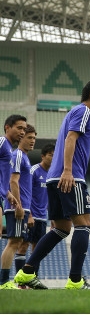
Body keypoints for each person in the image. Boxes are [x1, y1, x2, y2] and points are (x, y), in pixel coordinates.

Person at [14, 77, 90, 290]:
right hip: (70, 177)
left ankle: (27, 271)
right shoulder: (83, 111)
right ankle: (75, 280)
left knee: (61, 228)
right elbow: (71, 139)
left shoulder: (75, 112)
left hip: (54, 178)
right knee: (84, 224)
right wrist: (68, 170)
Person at [0, 124, 35, 289]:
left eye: (34, 138)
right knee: (14, 242)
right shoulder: (18, 155)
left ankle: (6, 281)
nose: (32, 141)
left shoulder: (25, 157)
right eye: (29, 137)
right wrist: (19, 206)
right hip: (17, 206)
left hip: (22, 205)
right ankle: (3, 281)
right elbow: (13, 181)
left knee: (18, 241)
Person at [16, 144, 54, 278]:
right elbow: (25, 193)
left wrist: (53, 219)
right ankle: (21, 282)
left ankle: (33, 279)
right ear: (43, 156)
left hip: (43, 217)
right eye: (50, 155)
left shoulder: (52, 174)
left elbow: (51, 198)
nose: (53, 158)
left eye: (55, 155)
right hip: (31, 216)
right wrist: (30, 215)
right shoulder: (34, 171)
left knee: (38, 249)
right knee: (23, 246)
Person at [0, 114, 27, 267]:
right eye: (19, 128)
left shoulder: (9, 150)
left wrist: (8, 194)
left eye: (24, 129)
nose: (22, 132)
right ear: (7, 127)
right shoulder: (2, 142)